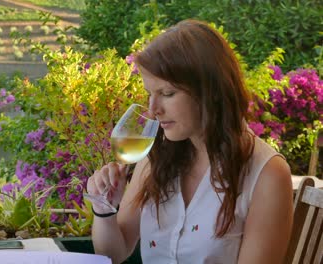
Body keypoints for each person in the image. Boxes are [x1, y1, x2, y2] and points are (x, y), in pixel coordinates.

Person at [87, 19, 294, 264]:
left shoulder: (266, 174)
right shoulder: (156, 160)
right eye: (149, 94)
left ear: (211, 91)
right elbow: (113, 254)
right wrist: (104, 209)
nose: (153, 110)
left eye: (167, 94)